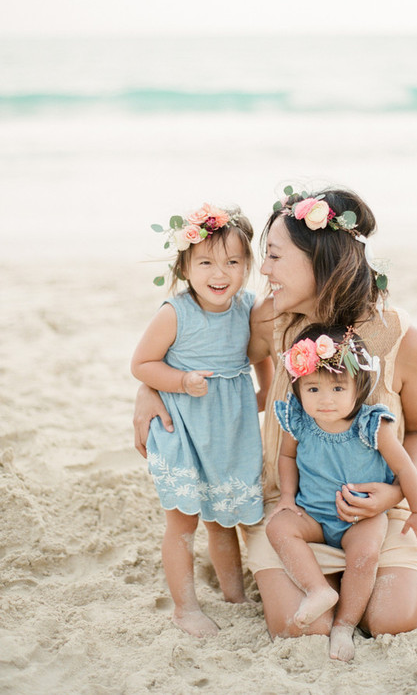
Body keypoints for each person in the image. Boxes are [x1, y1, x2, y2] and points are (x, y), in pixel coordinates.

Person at [133, 186, 417, 644]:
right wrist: (147, 388)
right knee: (302, 630)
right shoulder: (268, 320)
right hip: (292, 507)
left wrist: (394, 492)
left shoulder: (403, 339)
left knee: (393, 622)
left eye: (275, 257)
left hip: (378, 511)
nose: (264, 270)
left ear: (320, 261)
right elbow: (194, 349)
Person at [131, 202, 273, 638]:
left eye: (233, 261)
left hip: (228, 429)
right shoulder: (176, 313)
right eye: (206, 261)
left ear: (248, 265)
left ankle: (235, 596)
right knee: (183, 521)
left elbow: (260, 351)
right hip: (182, 426)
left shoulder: (247, 307)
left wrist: (264, 388)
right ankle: (185, 607)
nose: (220, 272)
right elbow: (142, 364)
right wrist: (180, 380)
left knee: (223, 517)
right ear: (185, 267)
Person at [266, 323, 417, 661]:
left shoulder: (372, 425)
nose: (325, 400)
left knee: (366, 555)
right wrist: (286, 497)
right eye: (313, 389)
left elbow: (405, 469)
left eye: (338, 388)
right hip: (313, 513)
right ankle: (318, 591)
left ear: (359, 386)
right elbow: (287, 457)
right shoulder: (298, 420)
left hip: (361, 516)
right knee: (278, 528)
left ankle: (344, 624)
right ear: (298, 389)